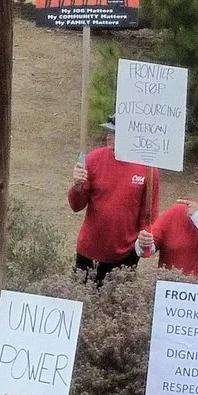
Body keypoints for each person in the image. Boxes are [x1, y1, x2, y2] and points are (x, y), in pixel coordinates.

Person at [68, 121, 154, 282]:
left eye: (115, 133)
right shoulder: (93, 159)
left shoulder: (148, 168)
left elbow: (149, 215)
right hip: (89, 251)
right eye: (109, 132)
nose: (109, 137)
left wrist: (145, 244)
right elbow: (76, 206)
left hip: (126, 254)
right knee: (83, 300)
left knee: (115, 305)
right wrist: (77, 186)